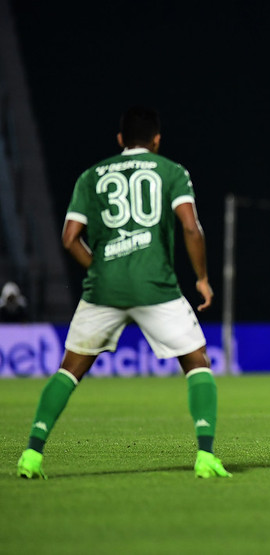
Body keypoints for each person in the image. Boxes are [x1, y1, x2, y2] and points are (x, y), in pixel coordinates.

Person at [16, 106, 231, 479]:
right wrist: (201, 278)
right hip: (156, 286)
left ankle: (32, 455)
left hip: (103, 289)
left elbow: (69, 239)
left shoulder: (91, 176)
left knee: (69, 370)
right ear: (157, 140)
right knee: (197, 362)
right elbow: (191, 228)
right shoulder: (171, 172)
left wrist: (100, 269)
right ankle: (206, 456)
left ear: (120, 140)